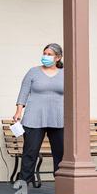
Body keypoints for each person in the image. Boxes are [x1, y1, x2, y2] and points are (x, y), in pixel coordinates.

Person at [13, 43, 64, 185]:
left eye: (49, 54)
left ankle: (61, 185)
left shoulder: (66, 73)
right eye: (44, 53)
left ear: (58, 57)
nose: (45, 57)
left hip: (59, 119)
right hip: (34, 118)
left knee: (60, 154)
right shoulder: (33, 72)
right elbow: (23, 92)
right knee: (30, 153)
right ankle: (23, 185)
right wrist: (18, 111)